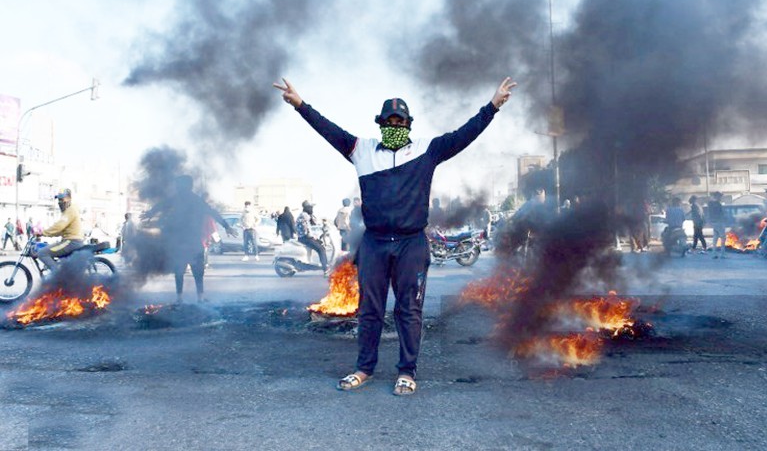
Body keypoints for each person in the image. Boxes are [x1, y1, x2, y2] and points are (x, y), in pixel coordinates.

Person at [274, 75, 516, 396]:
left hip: (411, 244)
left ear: (408, 124)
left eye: (400, 120)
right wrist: (301, 106)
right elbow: (328, 130)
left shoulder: (427, 150)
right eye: (389, 120)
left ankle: (407, 371)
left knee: (409, 310)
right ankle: (364, 368)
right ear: (380, 123)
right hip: (374, 244)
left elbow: (463, 135)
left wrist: (492, 107)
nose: (394, 124)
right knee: (369, 310)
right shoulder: (361, 150)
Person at [142, 175, 235, 303]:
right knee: (196, 271)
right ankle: (199, 298)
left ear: (183, 186)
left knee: (179, 271)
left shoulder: (177, 199)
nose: (176, 187)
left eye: (177, 185)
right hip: (193, 242)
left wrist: (150, 213)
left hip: (181, 242)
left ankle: (180, 298)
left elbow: (161, 205)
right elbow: (213, 212)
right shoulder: (196, 200)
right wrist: (226, 226)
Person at [36, 189, 85, 272]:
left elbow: (59, 226)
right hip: (70, 241)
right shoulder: (68, 210)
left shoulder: (71, 210)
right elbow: (60, 230)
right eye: (59, 200)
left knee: (42, 253)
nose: (60, 202)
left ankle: (59, 276)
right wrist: (46, 234)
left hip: (72, 241)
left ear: (69, 198)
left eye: (62, 199)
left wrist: (43, 232)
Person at [295, 200, 328, 273]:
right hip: (305, 238)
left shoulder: (304, 215)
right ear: (307, 208)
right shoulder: (305, 216)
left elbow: (313, 224)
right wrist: (314, 237)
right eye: (311, 208)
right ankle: (326, 269)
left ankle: (325, 266)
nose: (312, 209)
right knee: (321, 249)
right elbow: (307, 230)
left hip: (304, 237)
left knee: (321, 245)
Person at [707, 191, 727, 259]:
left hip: (714, 222)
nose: (721, 198)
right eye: (720, 196)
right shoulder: (716, 203)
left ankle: (714, 253)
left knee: (715, 238)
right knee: (723, 237)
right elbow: (720, 214)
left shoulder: (710, 203)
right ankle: (722, 253)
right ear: (717, 196)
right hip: (719, 222)